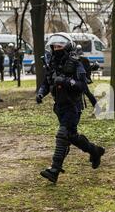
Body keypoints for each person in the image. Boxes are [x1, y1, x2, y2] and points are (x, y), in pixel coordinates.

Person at [36, 33, 105, 184]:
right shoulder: (52, 63)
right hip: (59, 106)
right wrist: (41, 93)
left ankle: (54, 170)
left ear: (67, 46)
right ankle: (94, 151)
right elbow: (46, 83)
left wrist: (67, 81)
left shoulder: (76, 62)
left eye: (59, 46)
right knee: (70, 136)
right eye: (54, 46)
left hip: (73, 106)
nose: (56, 48)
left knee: (62, 135)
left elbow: (82, 85)